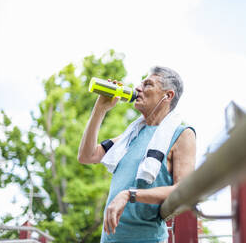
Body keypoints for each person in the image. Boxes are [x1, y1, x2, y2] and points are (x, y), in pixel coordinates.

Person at [78, 66, 196, 243]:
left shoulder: (182, 135)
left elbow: (184, 189)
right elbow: (87, 156)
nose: (138, 88)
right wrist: (100, 109)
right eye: (140, 84)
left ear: (168, 96)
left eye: (148, 85)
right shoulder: (130, 137)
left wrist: (130, 194)